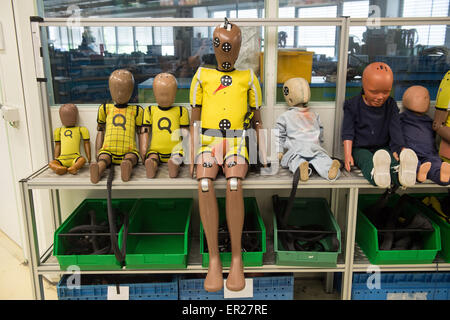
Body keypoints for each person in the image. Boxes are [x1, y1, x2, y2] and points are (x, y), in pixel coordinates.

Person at [189, 19, 264, 293]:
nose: (226, 51)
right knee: (205, 183)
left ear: (239, 47)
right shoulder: (201, 76)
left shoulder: (249, 78)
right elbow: (194, 120)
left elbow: (257, 120)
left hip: (235, 142)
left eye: (231, 46)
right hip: (208, 142)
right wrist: (190, 155)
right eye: (221, 45)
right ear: (214, 45)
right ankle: (214, 258)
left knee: (234, 184)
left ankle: (236, 257)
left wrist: (260, 155)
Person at [341, 62, 418, 188]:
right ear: (364, 86)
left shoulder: (390, 104)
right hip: (360, 148)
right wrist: (348, 154)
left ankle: (402, 174)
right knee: (367, 160)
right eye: (374, 92)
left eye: (386, 92)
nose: (380, 97)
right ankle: (376, 174)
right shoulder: (352, 105)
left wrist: (400, 149)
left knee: (392, 160)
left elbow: (395, 130)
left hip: (384, 148)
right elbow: (348, 132)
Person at [275, 77, 340, 181]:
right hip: (314, 148)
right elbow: (321, 133)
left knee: (295, 160)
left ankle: (302, 169)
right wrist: (320, 146)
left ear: (289, 98)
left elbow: (278, 136)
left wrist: (279, 151)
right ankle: (329, 170)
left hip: (296, 149)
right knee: (321, 159)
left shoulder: (285, 117)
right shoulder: (314, 115)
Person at [90, 69, 144, 183]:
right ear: (110, 90)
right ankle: (98, 169)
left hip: (129, 150)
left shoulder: (137, 110)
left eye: (124, 91)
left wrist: (143, 153)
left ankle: (127, 168)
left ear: (131, 91)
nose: (120, 94)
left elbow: (141, 133)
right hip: (108, 149)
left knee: (131, 157)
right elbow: (101, 131)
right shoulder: (105, 109)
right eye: (116, 90)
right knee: (103, 158)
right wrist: (97, 152)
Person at [140, 73, 189, 178]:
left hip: (176, 148)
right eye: (161, 95)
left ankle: (174, 167)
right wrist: (143, 148)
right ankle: (152, 166)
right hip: (155, 149)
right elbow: (145, 131)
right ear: (155, 94)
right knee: (152, 157)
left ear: (175, 94)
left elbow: (185, 133)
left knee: (177, 156)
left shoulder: (181, 111)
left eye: (168, 95)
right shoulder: (149, 110)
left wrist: (187, 150)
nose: (164, 98)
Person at [400, 85, 450, 185]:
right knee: (412, 164)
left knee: (435, 164)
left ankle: (442, 176)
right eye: (418, 97)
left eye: (426, 97)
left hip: (429, 154)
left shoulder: (429, 121)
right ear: (405, 100)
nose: (425, 99)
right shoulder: (402, 118)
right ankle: (419, 173)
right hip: (411, 153)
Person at [49, 103, 91, 175]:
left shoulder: (81, 129)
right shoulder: (58, 130)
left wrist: (89, 158)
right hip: (61, 158)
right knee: (51, 163)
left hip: (75, 158)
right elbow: (57, 145)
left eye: (70, 116)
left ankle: (74, 167)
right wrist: (56, 158)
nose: (67, 119)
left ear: (75, 117)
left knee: (82, 160)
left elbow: (86, 143)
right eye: (64, 116)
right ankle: (58, 168)